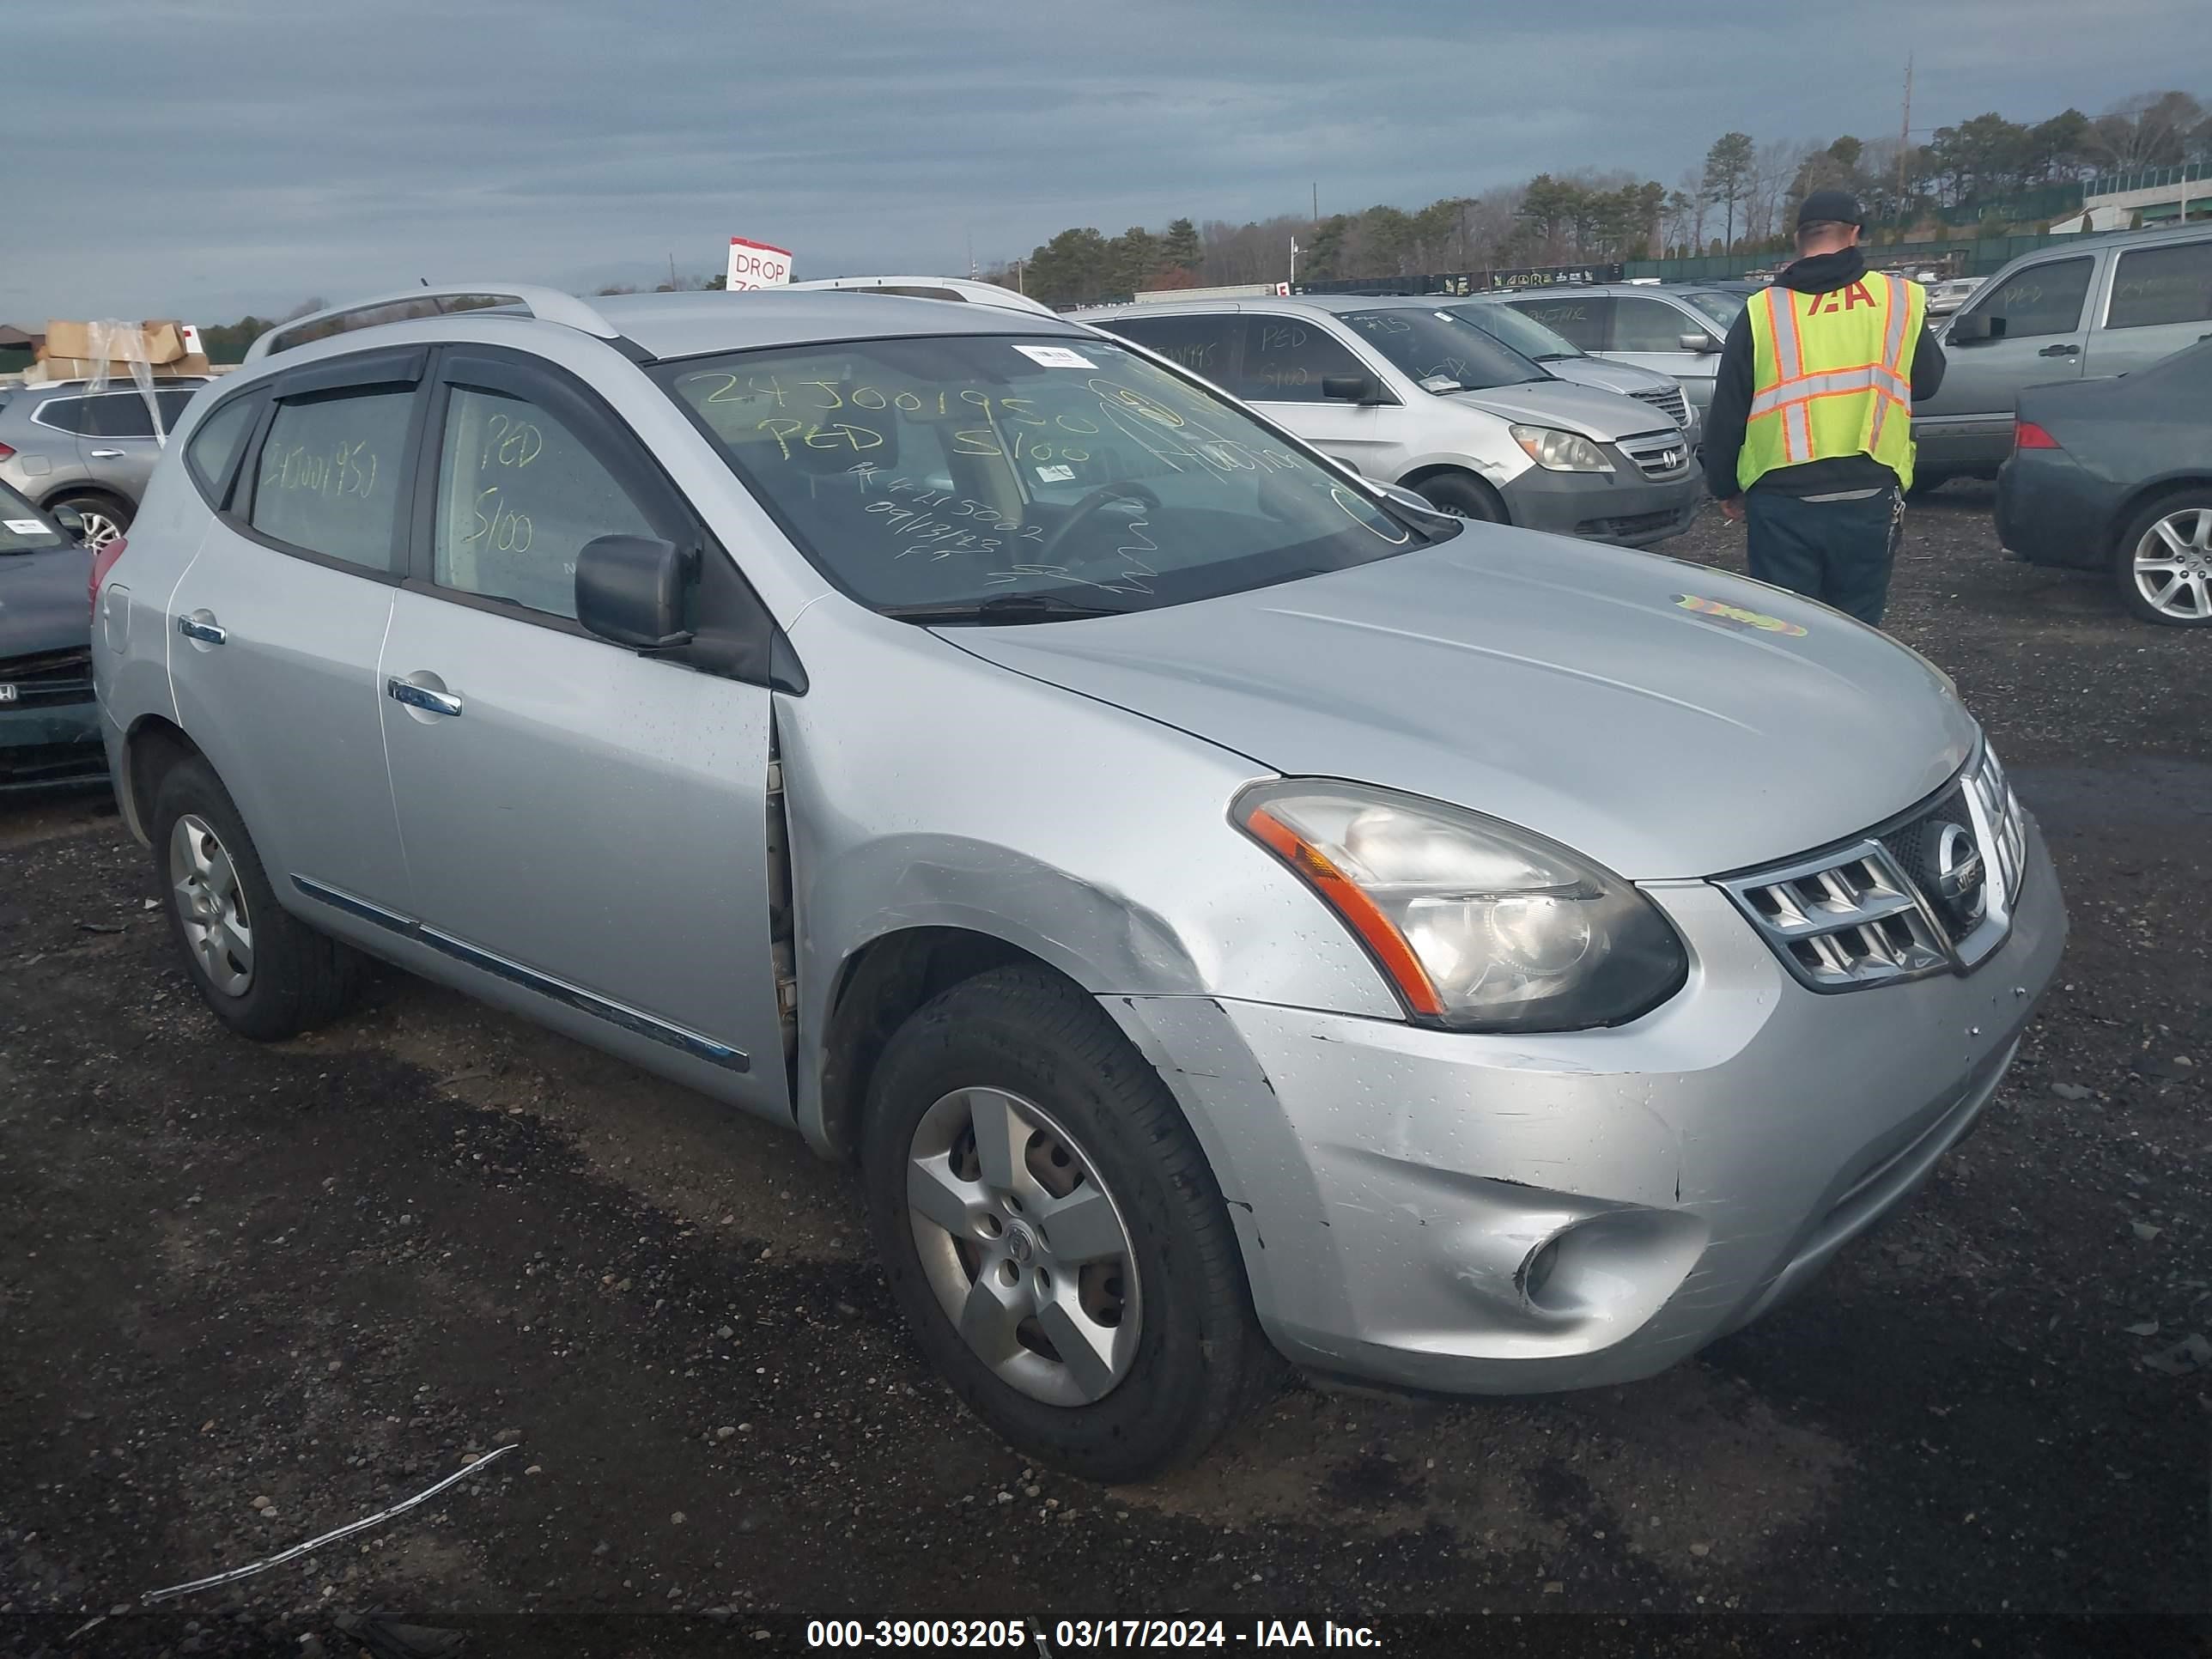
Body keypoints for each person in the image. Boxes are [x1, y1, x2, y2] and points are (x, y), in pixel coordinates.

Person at [1702, 190, 1947, 628]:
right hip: (1868, 487)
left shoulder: (1763, 310)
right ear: (1855, 234)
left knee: (1787, 629)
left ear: (1799, 239)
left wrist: (1723, 486)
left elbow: (1728, 409)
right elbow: (1926, 383)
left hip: (1781, 498)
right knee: (1857, 630)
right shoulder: (1898, 300)